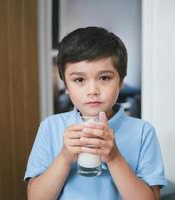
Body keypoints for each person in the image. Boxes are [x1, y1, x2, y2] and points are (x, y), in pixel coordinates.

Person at [24, 26, 167, 200]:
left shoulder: (143, 132)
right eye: (79, 80)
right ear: (66, 86)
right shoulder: (50, 127)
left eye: (104, 78)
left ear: (121, 81)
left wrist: (114, 158)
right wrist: (64, 157)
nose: (92, 90)